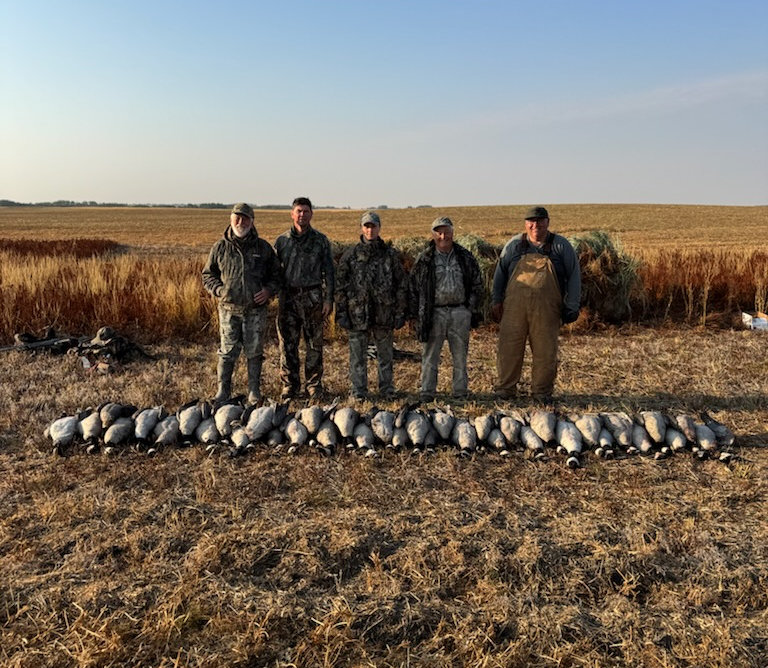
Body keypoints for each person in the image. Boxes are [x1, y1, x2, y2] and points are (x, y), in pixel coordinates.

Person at [491, 206, 581, 402]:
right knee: (509, 349)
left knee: (545, 352)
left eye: (540, 221)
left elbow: (574, 276)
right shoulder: (514, 245)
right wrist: (496, 300)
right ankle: (505, 390)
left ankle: (541, 393)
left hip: (547, 309)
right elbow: (500, 274)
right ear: (525, 224)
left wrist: (572, 305)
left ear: (548, 222)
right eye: (531, 221)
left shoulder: (561, 246)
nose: (535, 225)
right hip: (514, 308)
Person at [202, 202, 281, 405]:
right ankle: (223, 391)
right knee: (227, 352)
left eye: (245, 218)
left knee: (254, 352)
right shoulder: (220, 247)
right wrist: (219, 290)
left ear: (252, 222)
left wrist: (268, 290)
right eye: (237, 218)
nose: (240, 222)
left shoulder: (263, 248)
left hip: (255, 310)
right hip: (229, 310)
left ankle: (254, 391)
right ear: (231, 219)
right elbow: (208, 275)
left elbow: (277, 275)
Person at [408, 216, 484, 402]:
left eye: (447, 232)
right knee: (430, 356)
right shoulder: (425, 259)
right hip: (434, 313)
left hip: (460, 313)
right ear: (433, 235)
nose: (443, 236)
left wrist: (469, 309)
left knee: (460, 356)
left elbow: (477, 283)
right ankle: (427, 392)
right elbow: (413, 288)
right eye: (439, 233)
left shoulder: (465, 256)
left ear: (452, 233)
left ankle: (460, 392)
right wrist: (417, 315)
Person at [335, 211, 407, 400]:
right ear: (361, 228)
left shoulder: (390, 255)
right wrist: (341, 312)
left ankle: (387, 389)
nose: (370, 230)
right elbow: (340, 286)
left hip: (384, 314)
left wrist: (400, 312)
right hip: (357, 315)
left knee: (385, 356)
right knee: (357, 357)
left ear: (379, 228)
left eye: (373, 226)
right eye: (366, 226)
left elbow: (401, 284)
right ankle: (358, 391)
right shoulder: (350, 255)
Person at [274, 197, 335, 400]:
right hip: (288, 299)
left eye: (306, 211)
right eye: (298, 211)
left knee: (314, 345)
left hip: (313, 298)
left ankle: (314, 385)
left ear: (311, 214)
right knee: (287, 345)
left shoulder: (320, 241)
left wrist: (328, 299)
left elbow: (329, 271)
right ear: (292, 214)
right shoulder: (282, 241)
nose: (302, 215)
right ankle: (290, 385)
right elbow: (274, 272)